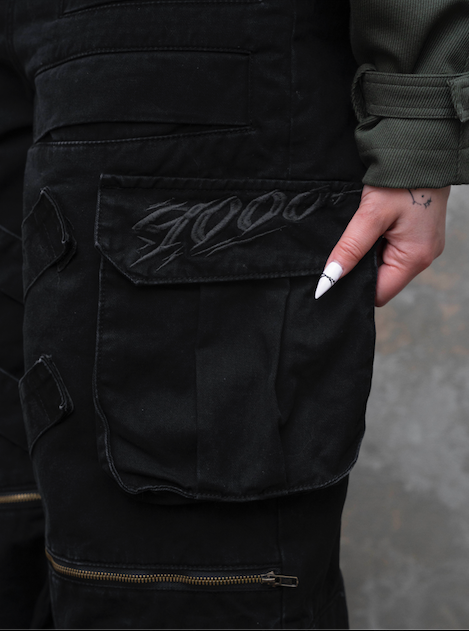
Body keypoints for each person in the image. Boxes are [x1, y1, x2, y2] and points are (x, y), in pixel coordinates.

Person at [0, 0, 464, 627]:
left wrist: (417, 114)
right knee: (83, 554)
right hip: (182, 57)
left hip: (177, 55)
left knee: (145, 572)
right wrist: (419, 113)